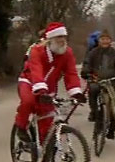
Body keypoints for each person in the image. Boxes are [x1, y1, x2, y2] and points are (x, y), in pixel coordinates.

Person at [15, 22, 86, 153]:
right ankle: (21, 127)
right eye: (59, 37)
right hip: (29, 81)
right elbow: (36, 70)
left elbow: (71, 73)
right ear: (50, 39)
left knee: (47, 119)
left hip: (49, 87)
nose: (62, 40)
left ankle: (47, 154)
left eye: (64, 36)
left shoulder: (67, 52)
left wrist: (76, 92)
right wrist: (41, 91)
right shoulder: (37, 50)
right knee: (28, 102)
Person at [80, 30, 115, 139]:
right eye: (102, 39)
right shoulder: (93, 53)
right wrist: (86, 73)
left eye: (107, 39)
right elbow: (87, 64)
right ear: (99, 40)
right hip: (97, 80)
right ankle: (94, 113)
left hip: (112, 82)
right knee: (93, 90)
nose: (105, 41)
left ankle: (112, 128)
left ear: (110, 40)